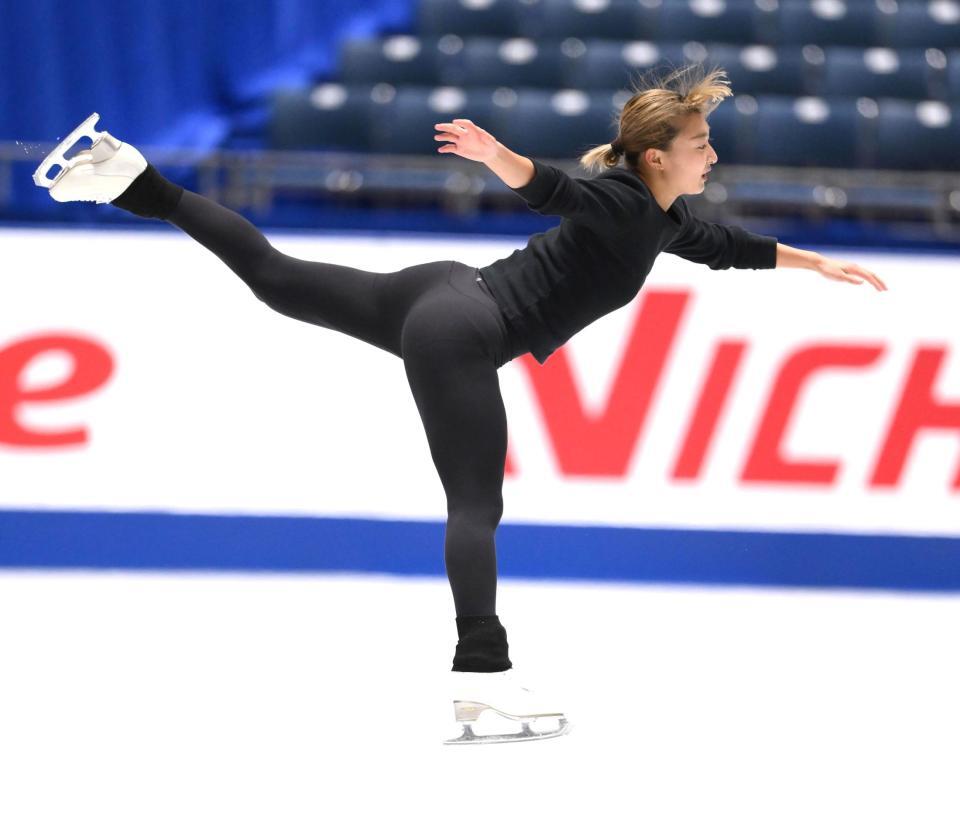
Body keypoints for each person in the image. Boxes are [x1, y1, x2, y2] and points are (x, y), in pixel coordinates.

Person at [34, 63, 886, 745]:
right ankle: (482, 679)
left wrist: (818, 265)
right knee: (477, 503)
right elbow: (555, 191)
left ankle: (131, 179)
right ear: (658, 155)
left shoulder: (662, 218)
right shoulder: (625, 203)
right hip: (463, 329)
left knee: (279, 281)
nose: (712, 156)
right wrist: (498, 156)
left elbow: (727, 246)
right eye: (702, 144)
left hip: (442, 294)